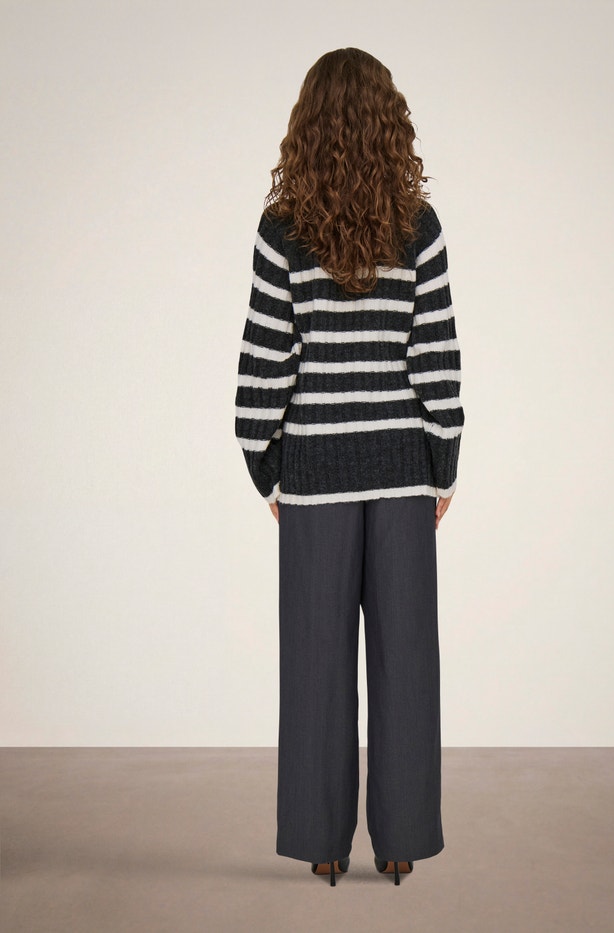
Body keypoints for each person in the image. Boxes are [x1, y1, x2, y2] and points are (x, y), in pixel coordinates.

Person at [235, 47, 465, 887]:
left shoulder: (282, 230)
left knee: (315, 662)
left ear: (307, 125)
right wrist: (442, 463)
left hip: (315, 479)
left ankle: (322, 844)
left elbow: (267, 360)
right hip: (403, 475)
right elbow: (435, 356)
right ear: (389, 123)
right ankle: (400, 843)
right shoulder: (419, 226)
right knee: (407, 663)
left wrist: (267, 467)